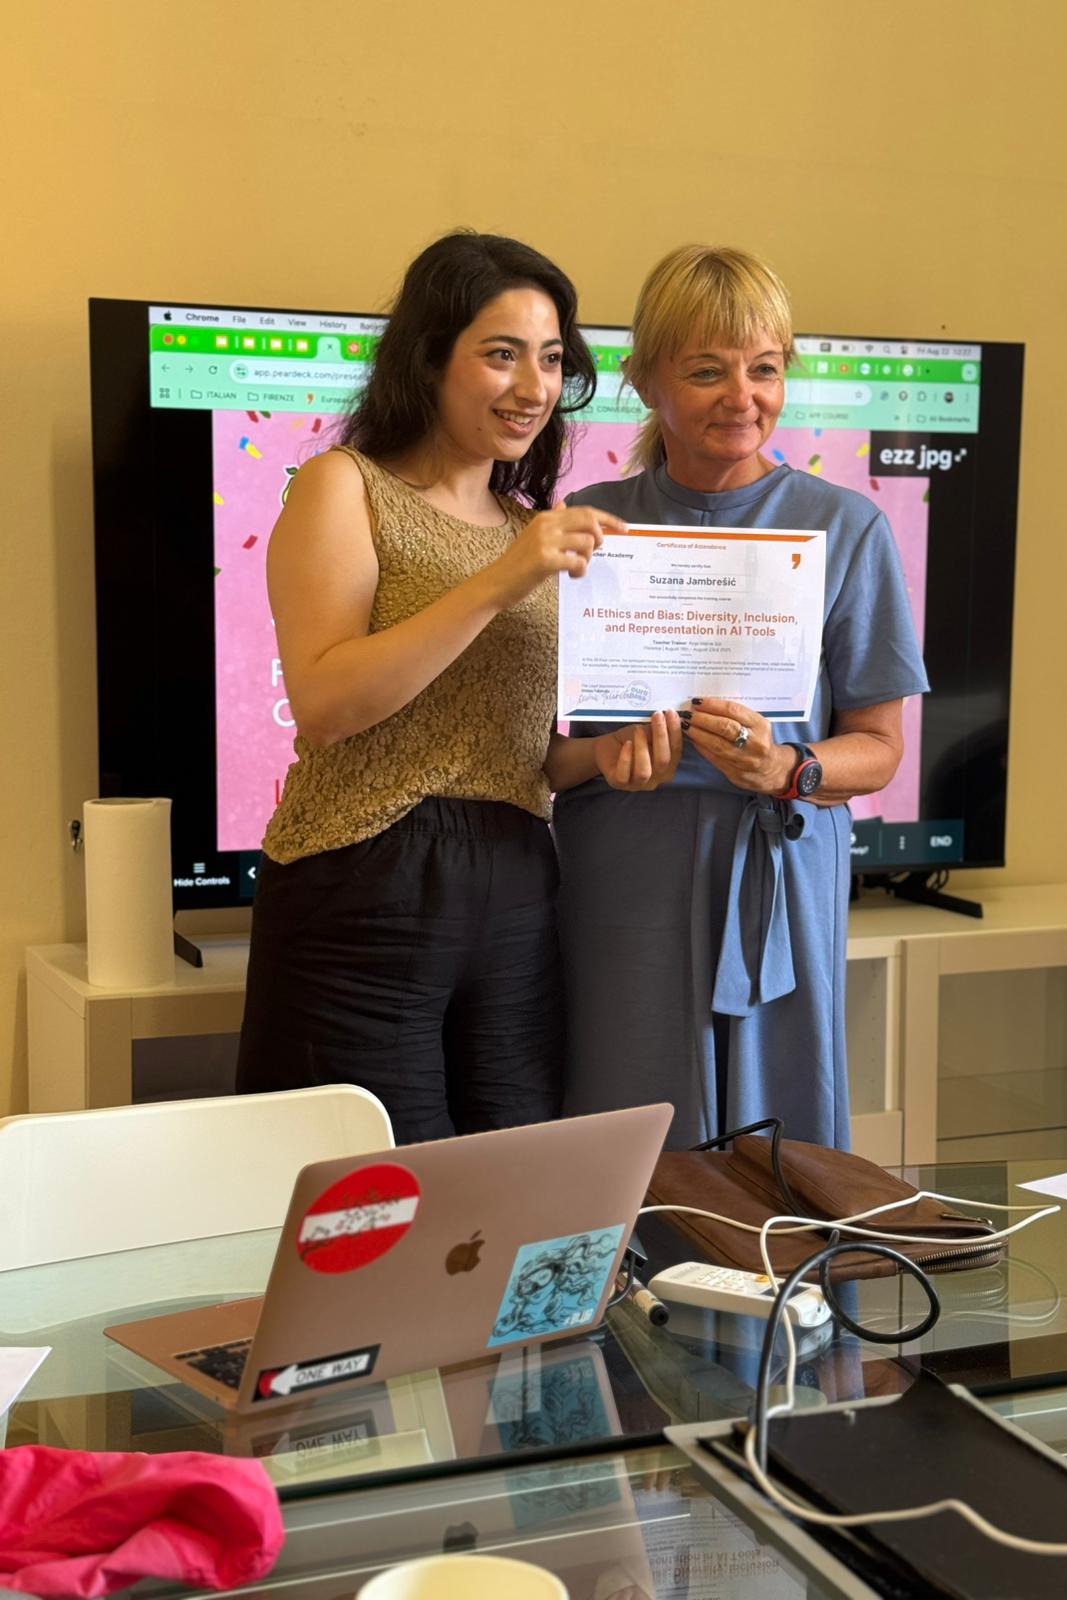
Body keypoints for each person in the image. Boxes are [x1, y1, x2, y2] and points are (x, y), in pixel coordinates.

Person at [236, 231, 681, 1142]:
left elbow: (516, 751)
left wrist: (601, 756)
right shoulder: (343, 486)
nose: (534, 387)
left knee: (514, 1182)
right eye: (502, 353)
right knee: (379, 1195)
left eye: (551, 359)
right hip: (362, 882)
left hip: (517, 883)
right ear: (430, 356)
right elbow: (325, 703)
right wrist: (500, 581)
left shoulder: (524, 528)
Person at [555, 244, 929, 1150]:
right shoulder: (584, 525)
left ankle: (776, 1258)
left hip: (779, 861)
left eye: (764, 369)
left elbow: (880, 747)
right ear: (646, 380)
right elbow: (531, 754)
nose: (742, 397)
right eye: (707, 371)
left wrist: (787, 768)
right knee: (625, 1124)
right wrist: (601, 756)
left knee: (780, 1143)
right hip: (623, 864)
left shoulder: (848, 526)